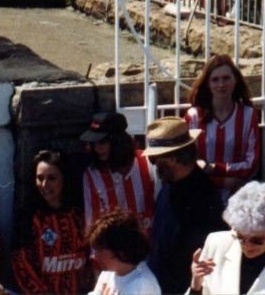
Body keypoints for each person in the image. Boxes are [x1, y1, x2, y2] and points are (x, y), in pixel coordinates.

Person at [145, 117, 222, 294]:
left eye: (155, 159)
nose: (154, 164)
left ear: (172, 159)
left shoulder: (203, 196)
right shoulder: (170, 186)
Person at [11, 151, 93, 294]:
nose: (44, 184)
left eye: (52, 178)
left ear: (64, 179)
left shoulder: (81, 214)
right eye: (40, 178)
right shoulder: (29, 218)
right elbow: (22, 267)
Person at [185, 55, 261, 194]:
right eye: (215, 79)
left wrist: (213, 168)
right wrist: (223, 181)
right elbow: (188, 163)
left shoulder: (249, 115)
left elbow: (251, 163)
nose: (221, 84)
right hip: (201, 192)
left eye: (226, 78)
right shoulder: (194, 116)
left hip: (238, 193)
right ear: (207, 84)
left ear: (235, 80)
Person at [80, 111, 157, 232]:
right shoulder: (92, 175)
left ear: (118, 141)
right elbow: (92, 224)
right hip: (116, 249)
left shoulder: (148, 163)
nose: (97, 148)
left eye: (102, 142)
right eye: (93, 143)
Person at [87, 211, 161, 295]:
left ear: (121, 251)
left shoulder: (141, 285)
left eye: (100, 250)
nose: (94, 256)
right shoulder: (107, 275)